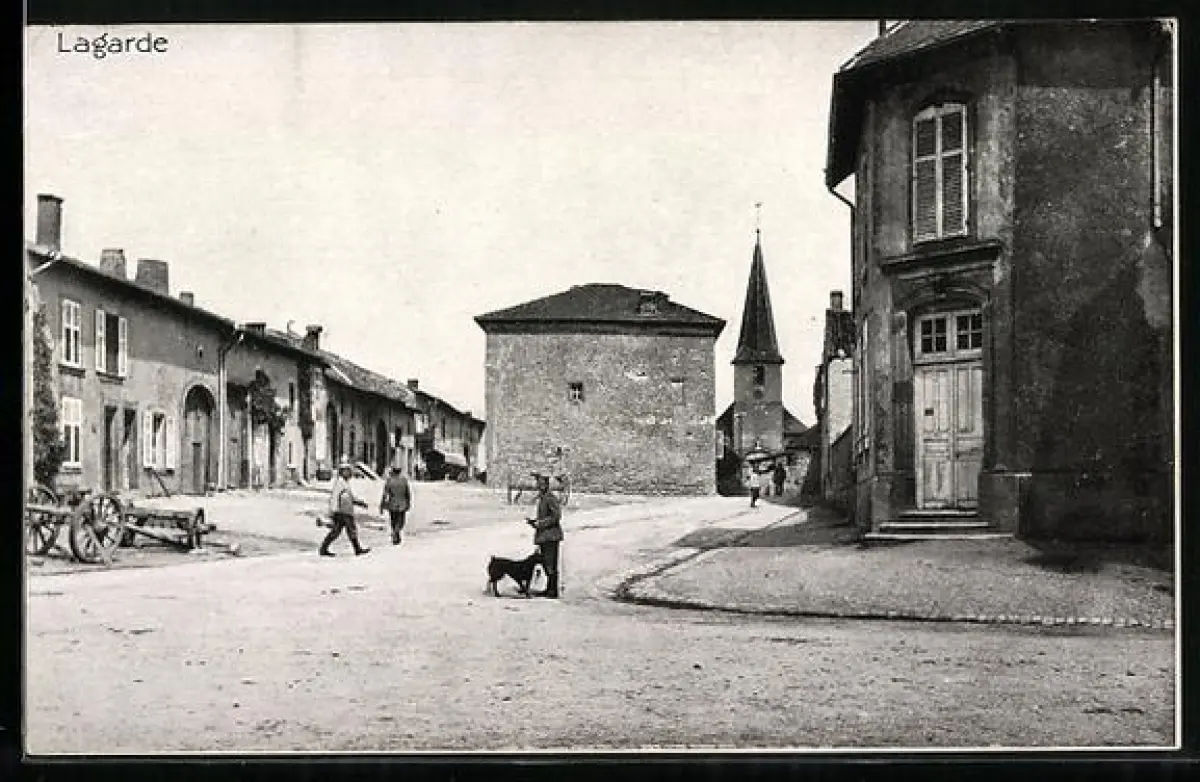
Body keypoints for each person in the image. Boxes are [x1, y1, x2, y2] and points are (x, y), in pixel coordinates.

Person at [320, 461, 370, 557]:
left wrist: (360, 503)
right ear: (342, 472)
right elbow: (335, 497)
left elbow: (350, 497)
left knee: (338, 531)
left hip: (346, 511)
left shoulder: (345, 483)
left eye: (349, 471)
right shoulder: (340, 483)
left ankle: (324, 548)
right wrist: (333, 510)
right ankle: (357, 549)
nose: (349, 473)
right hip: (342, 511)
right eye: (347, 471)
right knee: (349, 530)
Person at [525, 474, 563, 598]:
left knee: (550, 564)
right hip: (544, 536)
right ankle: (549, 589)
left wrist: (540, 523)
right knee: (546, 564)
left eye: (541, 484)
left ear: (546, 485)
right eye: (538, 484)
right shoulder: (542, 498)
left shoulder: (550, 498)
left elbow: (556, 516)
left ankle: (553, 591)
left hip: (551, 536)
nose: (539, 487)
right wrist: (534, 522)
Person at [380, 465, 412, 545]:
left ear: (393, 471)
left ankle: (395, 533)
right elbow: (408, 493)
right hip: (402, 504)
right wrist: (408, 503)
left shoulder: (389, 480)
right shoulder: (404, 480)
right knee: (401, 521)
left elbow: (385, 494)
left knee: (393, 520)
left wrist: (382, 505)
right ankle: (396, 532)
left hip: (392, 503)